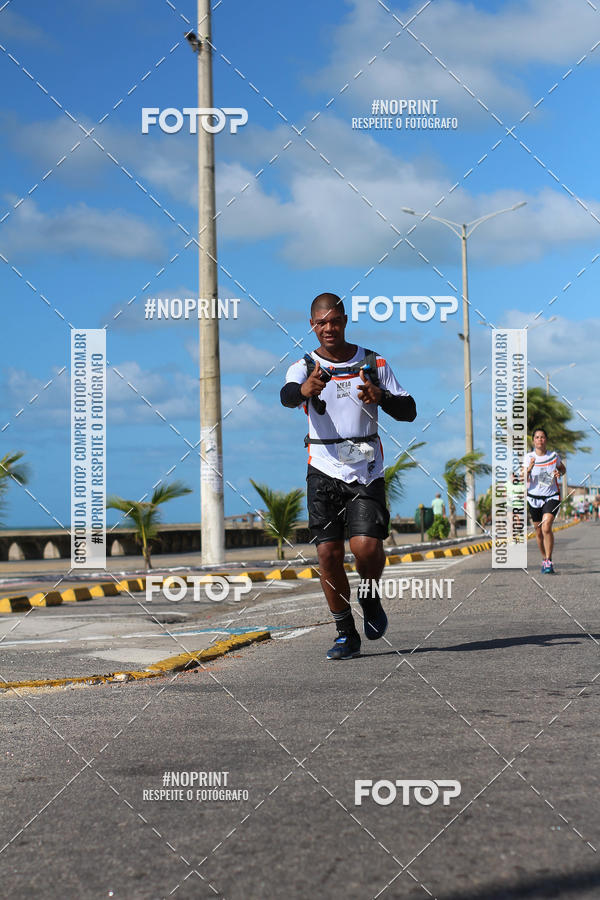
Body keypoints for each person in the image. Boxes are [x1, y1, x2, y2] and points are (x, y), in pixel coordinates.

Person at [280, 293, 416, 659]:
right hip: (322, 468)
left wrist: (381, 396)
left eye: (334, 321)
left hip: (366, 467)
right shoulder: (304, 365)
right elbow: (288, 394)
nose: (328, 328)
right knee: (327, 554)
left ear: (344, 320)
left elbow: (410, 411)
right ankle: (345, 633)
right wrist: (304, 390)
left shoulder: (373, 362)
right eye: (320, 322)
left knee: (366, 548)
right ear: (312, 325)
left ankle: (369, 598)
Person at [524, 428, 566, 574]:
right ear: (533, 440)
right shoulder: (528, 457)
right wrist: (529, 469)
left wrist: (558, 472)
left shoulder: (553, 456)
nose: (540, 440)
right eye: (537, 437)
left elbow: (563, 469)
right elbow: (522, 476)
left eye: (542, 437)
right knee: (539, 532)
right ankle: (544, 558)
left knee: (546, 527)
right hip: (534, 498)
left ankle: (549, 560)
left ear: (546, 440)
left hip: (551, 496)